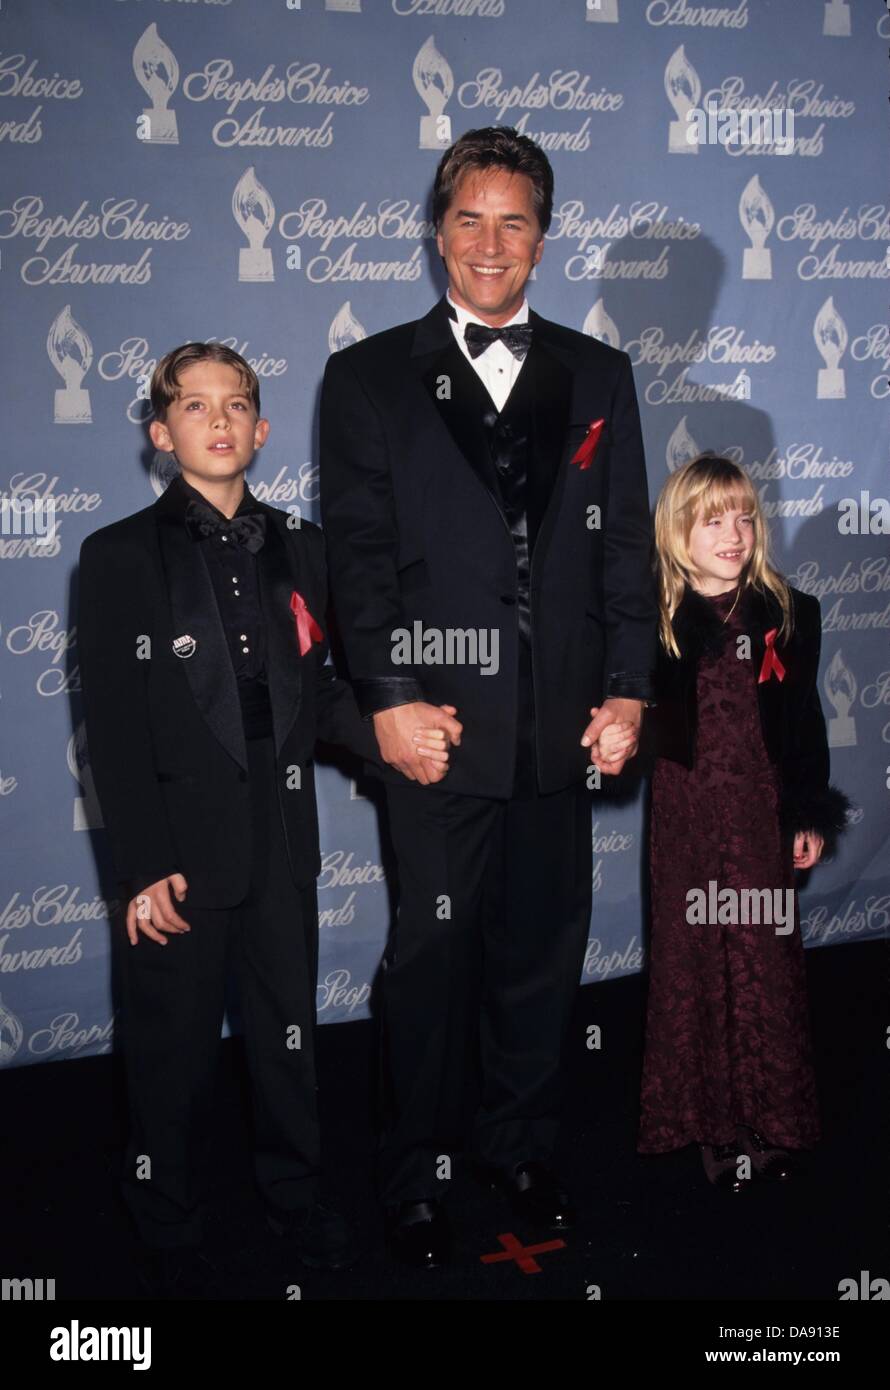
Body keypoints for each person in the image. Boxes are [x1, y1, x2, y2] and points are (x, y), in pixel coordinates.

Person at [320, 126, 658, 1266]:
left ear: (543, 241)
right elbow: (358, 562)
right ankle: (414, 1172)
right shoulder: (364, 376)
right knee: (429, 957)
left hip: (560, 731)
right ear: (435, 231)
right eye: (468, 218)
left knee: (537, 951)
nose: (488, 242)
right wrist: (387, 701)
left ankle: (520, 1142)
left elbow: (623, 562)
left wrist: (626, 694)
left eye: (513, 221)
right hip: (437, 731)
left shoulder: (599, 374)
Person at [77, 342, 457, 1296]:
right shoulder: (118, 554)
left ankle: (297, 1195)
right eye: (195, 407)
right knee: (169, 1053)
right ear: (162, 435)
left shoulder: (303, 547)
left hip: (283, 842)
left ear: (262, 428)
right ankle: (162, 1213)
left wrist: (394, 735)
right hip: (179, 853)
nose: (218, 420)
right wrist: (140, 866)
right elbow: (114, 734)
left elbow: (323, 698)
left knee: (289, 1040)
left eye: (237, 404)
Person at [637, 455, 851, 1191]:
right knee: (697, 961)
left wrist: (807, 810)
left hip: (760, 816)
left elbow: (804, 727)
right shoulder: (655, 621)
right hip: (688, 817)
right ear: (678, 531)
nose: (734, 533)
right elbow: (632, 723)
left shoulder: (790, 613)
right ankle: (715, 1132)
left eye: (745, 517)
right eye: (713, 519)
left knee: (762, 963)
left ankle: (771, 1124)